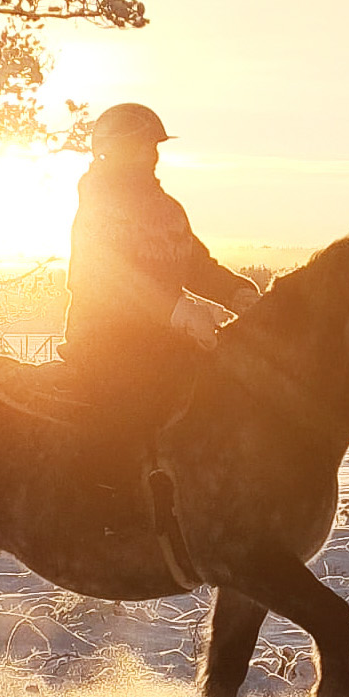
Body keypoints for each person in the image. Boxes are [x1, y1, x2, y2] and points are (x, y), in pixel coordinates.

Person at [60, 102, 259, 531]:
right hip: (106, 339)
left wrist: (237, 292)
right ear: (109, 152)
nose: (150, 156)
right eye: (140, 147)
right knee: (135, 399)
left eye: (153, 147)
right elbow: (98, 279)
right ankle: (110, 506)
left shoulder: (167, 209)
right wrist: (172, 310)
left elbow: (196, 265)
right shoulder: (98, 208)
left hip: (165, 336)